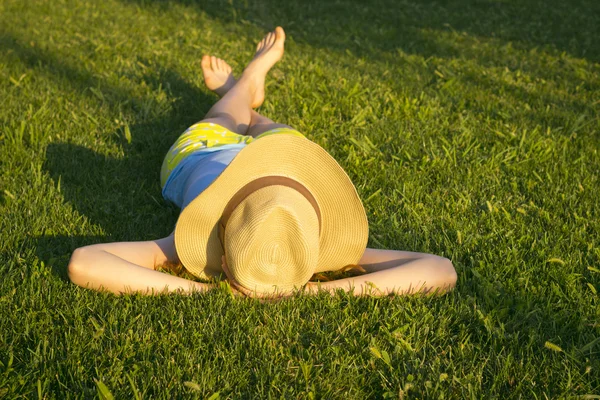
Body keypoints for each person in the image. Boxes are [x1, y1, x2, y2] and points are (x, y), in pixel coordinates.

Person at [67, 27, 457, 298]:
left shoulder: (272, 238)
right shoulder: (301, 235)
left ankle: (241, 88)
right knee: (264, 125)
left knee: (225, 119)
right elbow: (440, 270)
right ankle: (248, 82)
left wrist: (201, 293)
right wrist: (317, 292)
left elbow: (85, 263)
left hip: (202, 153)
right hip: (280, 161)